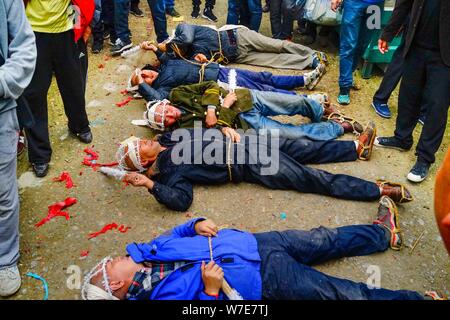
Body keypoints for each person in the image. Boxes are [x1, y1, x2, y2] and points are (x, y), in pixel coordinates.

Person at [81, 204, 444, 300]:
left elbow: (172, 234)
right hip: (263, 283)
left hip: (255, 243)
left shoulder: (144, 254)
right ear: (114, 284)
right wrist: (209, 291)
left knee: (323, 238)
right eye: (109, 265)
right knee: (341, 293)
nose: (113, 258)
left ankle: (382, 234)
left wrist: (193, 226)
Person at [111, 126, 414, 212]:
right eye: (142, 146)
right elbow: (181, 201)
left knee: (303, 145)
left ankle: (355, 149)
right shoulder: (169, 173)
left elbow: (201, 128)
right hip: (248, 163)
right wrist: (150, 185)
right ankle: (375, 190)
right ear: (146, 161)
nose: (146, 140)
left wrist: (226, 127)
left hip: (245, 140)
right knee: (310, 178)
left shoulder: (167, 138)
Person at [134, 80, 363, 142]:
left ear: (164, 103)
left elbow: (211, 85)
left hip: (247, 99)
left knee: (294, 104)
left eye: (165, 111)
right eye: (165, 120)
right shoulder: (180, 133)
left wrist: (212, 107)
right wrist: (222, 111)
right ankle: (336, 127)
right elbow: (213, 133)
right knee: (293, 134)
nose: (170, 115)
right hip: (244, 126)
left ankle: (320, 108)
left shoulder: (177, 94)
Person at [375, 0, 450, 183]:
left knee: (436, 106)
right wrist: (388, 33)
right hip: (415, 45)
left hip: (445, 56)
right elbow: (404, 3)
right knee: (409, 96)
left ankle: (424, 158)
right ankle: (402, 138)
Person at [24, 0, 93, 178]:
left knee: (73, 84)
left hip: (67, 28)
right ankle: (39, 154)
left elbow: (80, 2)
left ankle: (79, 125)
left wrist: (82, 27)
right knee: (34, 94)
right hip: (33, 31)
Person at [128, 41, 326, 101]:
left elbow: (166, 56)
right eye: (144, 79)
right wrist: (141, 85)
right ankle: (305, 99)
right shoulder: (163, 89)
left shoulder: (165, 67)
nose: (147, 75)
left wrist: (152, 48)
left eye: (144, 72)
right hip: (219, 82)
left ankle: (303, 80)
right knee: (263, 89)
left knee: (263, 76)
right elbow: (155, 98)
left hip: (218, 69)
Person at [0, 0, 36, 297]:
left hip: (0, 110)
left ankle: (5, 260)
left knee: (2, 192)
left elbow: (24, 46)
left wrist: (3, 81)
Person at [161, 23, 327, 71]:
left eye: (175, 49)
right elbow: (203, 67)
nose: (178, 52)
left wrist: (166, 47)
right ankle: (310, 62)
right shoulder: (186, 56)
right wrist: (202, 62)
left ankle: (312, 52)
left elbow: (187, 40)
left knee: (278, 45)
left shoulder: (183, 29)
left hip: (238, 37)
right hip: (236, 56)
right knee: (275, 61)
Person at [331, 0, 384, 105]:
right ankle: (344, 87)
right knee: (348, 45)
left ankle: (349, 76)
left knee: (363, 45)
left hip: (376, 6)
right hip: (353, 3)